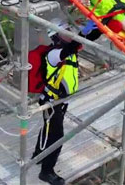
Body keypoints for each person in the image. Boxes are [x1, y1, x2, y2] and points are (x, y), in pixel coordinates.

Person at [32, 22, 81, 185]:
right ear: (56, 36)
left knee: (48, 127)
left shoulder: (70, 51)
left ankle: (38, 153)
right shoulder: (55, 54)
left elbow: (80, 42)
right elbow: (76, 43)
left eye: (69, 29)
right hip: (52, 102)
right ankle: (46, 172)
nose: (70, 33)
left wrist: (96, 26)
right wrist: (89, 28)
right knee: (56, 136)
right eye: (65, 31)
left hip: (60, 100)